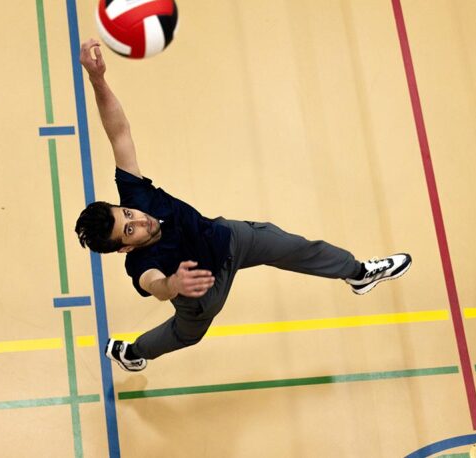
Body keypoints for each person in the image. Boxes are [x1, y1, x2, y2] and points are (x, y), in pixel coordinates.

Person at [74, 39, 412, 372]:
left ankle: (358, 274)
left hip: (227, 238)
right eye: (129, 229)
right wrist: (174, 285)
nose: (140, 220)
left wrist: (98, 80)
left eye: (128, 214)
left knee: (294, 247)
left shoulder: (137, 195)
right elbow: (156, 286)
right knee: (185, 334)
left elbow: (118, 132)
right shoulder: (142, 264)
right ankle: (133, 352)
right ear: (124, 249)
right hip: (203, 292)